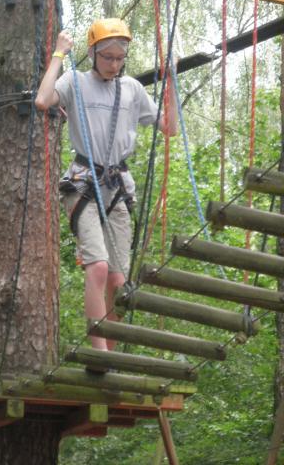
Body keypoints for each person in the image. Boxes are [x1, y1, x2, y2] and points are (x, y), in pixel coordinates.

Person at [34, 18, 177, 351]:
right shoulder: (75, 80)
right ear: (93, 53)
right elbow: (42, 100)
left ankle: (111, 354)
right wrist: (59, 53)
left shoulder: (132, 90)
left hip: (118, 186)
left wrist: (171, 80)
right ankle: (100, 353)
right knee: (97, 267)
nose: (114, 64)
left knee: (117, 279)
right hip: (84, 183)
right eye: (107, 57)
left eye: (119, 58)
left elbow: (169, 127)